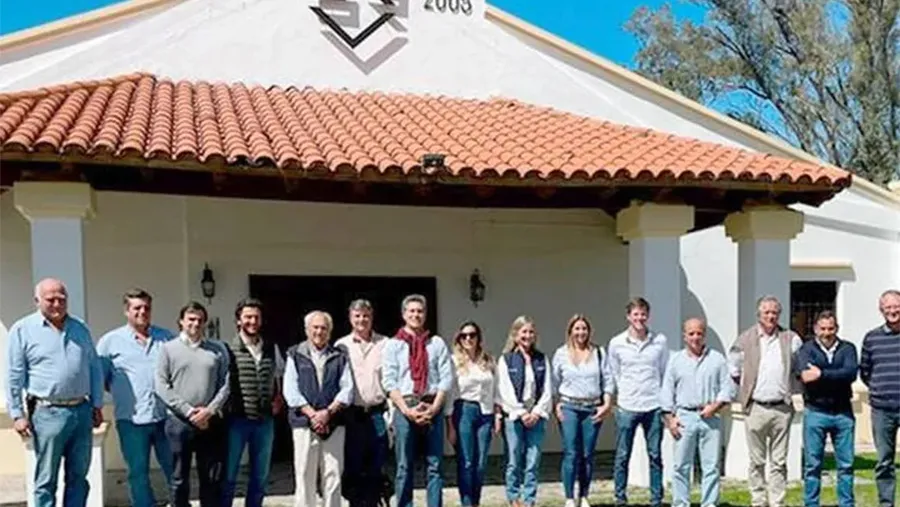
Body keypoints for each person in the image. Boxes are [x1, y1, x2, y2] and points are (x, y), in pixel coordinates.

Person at [5, 278, 104, 507]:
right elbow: (14, 375)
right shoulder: (23, 330)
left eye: (62, 298)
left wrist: (97, 404)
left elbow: (94, 368)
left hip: (82, 410)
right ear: (37, 301)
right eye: (51, 299)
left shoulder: (80, 328)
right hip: (47, 413)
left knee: (79, 477)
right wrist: (18, 415)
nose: (57, 304)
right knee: (46, 479)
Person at [96, 288, 175, 507]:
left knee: (174, 468)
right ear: (126, 310)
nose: (143, 312)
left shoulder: (167, 338)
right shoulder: (110, 342)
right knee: (137, 472)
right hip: (131, 420)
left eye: (146, 308)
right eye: (137, 307)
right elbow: (101, 379)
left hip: (165, 417)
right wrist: (125, 393)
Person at [728, 295, 803, 507]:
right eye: (766, 312)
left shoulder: (791, 338)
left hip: (782, 408)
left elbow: (799, 368)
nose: (771, 316)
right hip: (756, 408)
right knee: (756, 461)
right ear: (759, 314)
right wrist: (744, 394)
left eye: (774, 312)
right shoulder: (745, 339)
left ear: (779, 315)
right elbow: (734, 370)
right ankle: (758, 501)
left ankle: (777, 502)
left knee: (779, 462)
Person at [155, 301, 231, 507]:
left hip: (210, 422)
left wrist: (209, 411)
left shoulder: (218, 349)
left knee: (211, 477)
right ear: (181, 322)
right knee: (179, 478)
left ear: (205, 322)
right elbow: (161, 385)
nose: (195, 324)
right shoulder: (168, 349)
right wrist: (189, 412)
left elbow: (225, 384)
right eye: (191, 319)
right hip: (179, 423)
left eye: (199, 320)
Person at [381, 294, 453, 507]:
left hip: (433, 405)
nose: (416, 315)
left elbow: (445, 378)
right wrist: (407, 410)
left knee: (435, 464)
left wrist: (434, 408)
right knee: (404, 465)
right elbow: (389, 381)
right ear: (404, 314)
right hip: (405, 406)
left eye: (420, 311)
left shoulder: (437, 343)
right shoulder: (393, 345)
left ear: (425, 314)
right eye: (411, 311)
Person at [660, 318, 733, 507]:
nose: (695, 337)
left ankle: (709, 503)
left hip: (710, 416)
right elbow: (667, 391)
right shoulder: (675, 360)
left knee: (711, 466)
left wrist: (715, 406)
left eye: (699, 333)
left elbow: (727, 388)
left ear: (704, 335)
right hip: (684, 416)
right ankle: (681, 503)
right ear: (684, 336)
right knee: (681, 466)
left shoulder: (717, 359)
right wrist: (670, 419)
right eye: (691, 333)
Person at [283, 310, 353, 507]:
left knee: (333, 474)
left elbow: (347, 389)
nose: (319, 332)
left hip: (334, 422)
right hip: (304, 423)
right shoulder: (294, 354)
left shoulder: (339, 356)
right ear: (307, 330)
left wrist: (327, 413)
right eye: (315, 327)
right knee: (305, 473)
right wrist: (313, 414)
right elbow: (290, 391)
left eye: (324, 328)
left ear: (330, 332)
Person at [221, 298, 285, 507]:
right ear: (238, 320)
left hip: (264, 421)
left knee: (260, 475)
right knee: (229, 474)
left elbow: (281, 376)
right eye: (248, 317)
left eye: (256, 317)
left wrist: (279, 399)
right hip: (236, 421)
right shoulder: (227, 349)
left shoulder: (270, 347)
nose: (252, 321)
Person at [605, 297, 669, 507]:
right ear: (628, 316)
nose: (639, 318)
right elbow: (614, 372)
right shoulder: (616, 343)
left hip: (653, 405)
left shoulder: (659, 341)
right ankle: (620, 498)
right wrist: (620, 395)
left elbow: (663, 370)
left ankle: (656, 499)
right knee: (623, 455)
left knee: (655, 455)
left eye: (643, 314)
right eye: (635, 314)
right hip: (627, 406)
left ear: (648, 316)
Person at [794, 310, 858, 507]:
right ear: (815, 329)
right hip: (816, 412)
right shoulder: (806, 349)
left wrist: (821, 374)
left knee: (846, 465)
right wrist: (835, 375)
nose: (827, 332)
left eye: (831, 328)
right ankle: (811, 504)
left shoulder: (848, 348)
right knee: (812, 465)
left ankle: (846, 504)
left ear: (836, 328)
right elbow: (805, 376)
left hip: (843, 413)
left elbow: (850, 374)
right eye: (822, 328)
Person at [551, 314, 612, 507]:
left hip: (592, 408)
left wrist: (607, 405)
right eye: (577, 328)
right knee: (571, 452)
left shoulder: (599, 352)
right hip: (569, 406)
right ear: (570, 331)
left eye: (584, 328)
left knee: (587, 454)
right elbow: (553, 383)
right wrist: (556, 405)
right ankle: (570, 497)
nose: (581, 332)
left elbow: (608, 380)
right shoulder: (561, 353)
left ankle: (583, 495)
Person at [334, 299, 390, 507]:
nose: (361, 320)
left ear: (372, 317)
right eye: (357, 315)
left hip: (377, 413)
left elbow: (391, 379)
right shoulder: (341, 345)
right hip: (352, 415)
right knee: (353, 467)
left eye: (365, 315)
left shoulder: (385, 343)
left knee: (377, 466)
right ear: (350, 318)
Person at [495, 315, 553, 507]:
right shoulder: (506, 360)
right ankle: (514, 498)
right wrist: (521, 412)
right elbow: (504, 390)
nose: (527, 335)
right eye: (524, 332)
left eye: (531, 332)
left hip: (536, 416)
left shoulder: (541, 359)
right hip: (514, 416)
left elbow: (547, 388)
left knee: (533, 460)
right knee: (513, 459)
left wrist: (536, 412)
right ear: (515, 334)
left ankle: (529, 500)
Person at [445, 321, 500, 507]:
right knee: (467, 462)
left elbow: (496, 389)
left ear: (479, 337)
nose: (468, 339)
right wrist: (450, 425)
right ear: (459, 339)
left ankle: (476, 502)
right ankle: (467, 503)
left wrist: (497, 414)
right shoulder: (453, 362)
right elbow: (450, 393)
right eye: (464, 336)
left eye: (472, 335)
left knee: (481, 463)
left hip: (485, 413)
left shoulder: (488, 360)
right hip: (463, 411)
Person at [860, 289, 900, 507]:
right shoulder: (872, 338)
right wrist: (880, 388)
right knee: (884, 461)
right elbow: (865, 372)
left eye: (896, 306)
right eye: (888, 307)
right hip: (882, 410)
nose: (893, 311)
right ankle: (887, 504)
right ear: (881, 310)